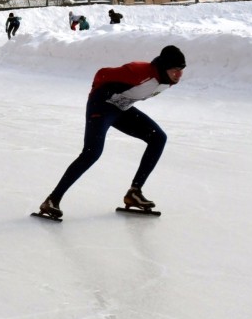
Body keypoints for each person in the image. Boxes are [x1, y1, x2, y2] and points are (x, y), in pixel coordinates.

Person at [36, 45, 187, 220]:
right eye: (175, 69)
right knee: (92, 153)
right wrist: (99, 96)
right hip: (101, 105)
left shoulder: (167, 81)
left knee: (158, 137)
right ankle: (52, 200)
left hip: (121, 109)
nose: (179, 74)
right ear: (164, 67)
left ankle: (134, 193)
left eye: (181, 70)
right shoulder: (139, 71)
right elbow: (102, 73)